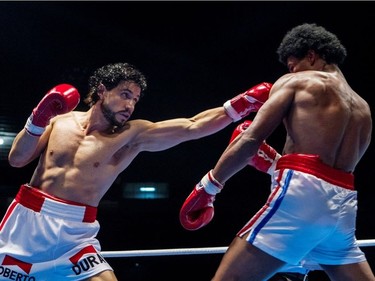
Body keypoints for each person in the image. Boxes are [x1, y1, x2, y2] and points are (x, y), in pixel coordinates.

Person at [0, 62, 272, 280]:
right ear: (103, 90)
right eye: (125, 95)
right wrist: (38, 119)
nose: (130, 106)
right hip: (27, 223)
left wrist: (238, 106)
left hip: (75, 235)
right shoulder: (60, 121)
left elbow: (192, 126)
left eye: (135, 100)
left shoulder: (131, 136)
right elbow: (17, 159)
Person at [179, 23, 374, 281]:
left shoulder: (298, 82)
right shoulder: (363, 107)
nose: (290, 72)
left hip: (301, 198)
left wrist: (209, 186)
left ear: (311, 56)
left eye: (292, 65)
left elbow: (250, 139)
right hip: (343, 208)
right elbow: (328, 169)